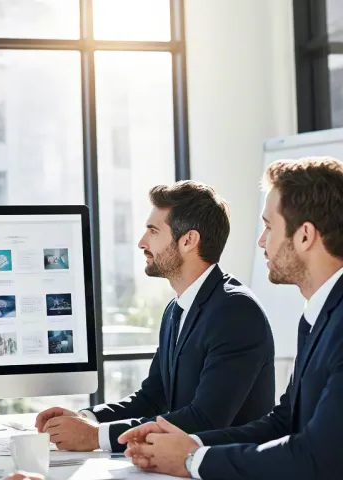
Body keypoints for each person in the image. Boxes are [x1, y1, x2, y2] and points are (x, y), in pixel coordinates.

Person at [122, 157, 343, 479]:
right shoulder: (318, 315)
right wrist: (187, 445)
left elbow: (317, 456)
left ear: (305, 236)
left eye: (269, 227)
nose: (261, 241)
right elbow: (283, 422)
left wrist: (191, 461)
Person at [35, 181, 275, 452]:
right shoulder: (176, 309)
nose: (141, 242)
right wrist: (86, 418)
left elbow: (206, 419)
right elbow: (152, 398)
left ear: (188, 241)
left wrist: (96, 436)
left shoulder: (235, 312)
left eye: (153, 231)